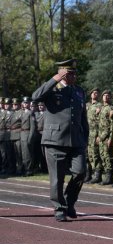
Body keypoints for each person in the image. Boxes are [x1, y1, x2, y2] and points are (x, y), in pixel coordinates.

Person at [32, 59, 89, 222]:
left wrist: (85, 138)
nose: (74, 76)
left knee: (80, 172)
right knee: (57, 178)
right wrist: (55, 79)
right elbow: (36, 96)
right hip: (54, 140)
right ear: (63, 74)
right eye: (70, 73)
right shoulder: (52, 88)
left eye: (74, 73)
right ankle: (59, 208)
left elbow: (82, 117)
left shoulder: (79, 91)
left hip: (76, 140)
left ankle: (69, 202)